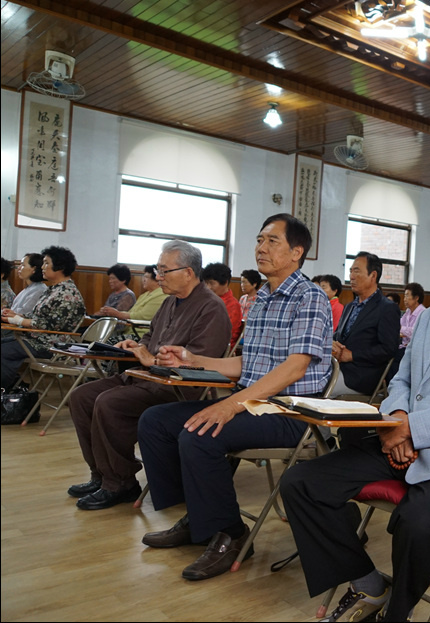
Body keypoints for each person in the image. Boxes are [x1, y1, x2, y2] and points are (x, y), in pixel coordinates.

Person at [280, 210, 430, 622]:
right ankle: (366, 582)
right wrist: (396, 415)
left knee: (418, 524)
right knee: (302, 483)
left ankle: (397, 614)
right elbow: (402, 381)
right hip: (399, 439)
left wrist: (409, 427)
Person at [136, 213, 333, 581]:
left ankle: (232, 534)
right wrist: (195, 359)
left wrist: (230, 405)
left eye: (272, 241)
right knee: (156, 422)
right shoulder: (261, 299)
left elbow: (294, 369)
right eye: (260, 240)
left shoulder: (310, 298)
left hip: (290, 413)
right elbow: (248, 364)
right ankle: (200, 516)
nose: (261, 247)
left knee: (199, 432)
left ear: (296, 252)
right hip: (254, 402)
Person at [67, 241, 231, 510]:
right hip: (145, 376)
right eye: (158, 269)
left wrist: (152, 359)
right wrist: (137, 347)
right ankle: (101, 474)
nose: (159, 276)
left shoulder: (211, 309)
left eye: (164, 270)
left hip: (175, 388)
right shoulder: (169, 302)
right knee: (81, 397)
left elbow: (200, 366)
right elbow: (149, 337)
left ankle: (120, 482)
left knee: (109, 403)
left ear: (188, 272)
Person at [1, 246, 85, 390]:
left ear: (59, 267)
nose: (42, 267)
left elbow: (47, 325)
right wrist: (16, 315)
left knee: (3, 351)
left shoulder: (67, 294)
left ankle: (6, 393)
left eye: (46, 263)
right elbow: (37, 316)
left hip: (48, 344)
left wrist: (17, 320)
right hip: (35, 338)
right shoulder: (55, 289)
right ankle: (10, 390)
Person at [332, 252, 400, 397]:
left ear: (373, 276)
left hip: (360, 377)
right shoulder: (350, 307)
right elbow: (338, 335)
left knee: (315, 386)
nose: (351, 276)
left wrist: (353, 356)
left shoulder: (387, 308)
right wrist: (332, 344)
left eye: (356, 271)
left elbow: (388, 349)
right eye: (350, 271)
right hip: (336, 367)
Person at [99, 266, 171, 323]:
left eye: (146, 277)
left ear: (157, 280)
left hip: (141, 333)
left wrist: (118, 314)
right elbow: (131, 312)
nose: (143, 280)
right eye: (143, 276)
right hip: (129, 330)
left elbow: (143, 316)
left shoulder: (161, 294)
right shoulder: (144, 295)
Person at [201, 263, 241, 347]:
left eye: (212, 283)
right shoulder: (207, 300)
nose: (208, 287)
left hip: (217, 347)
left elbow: (223, 334)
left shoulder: (233, 305)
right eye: (206, 283)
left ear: (225, 283)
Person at [8, 253, 46, 318]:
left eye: (23, 265)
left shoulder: (39, 290)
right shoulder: (28, 288)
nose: (19, 268)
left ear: (33, 269)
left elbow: (25, 314)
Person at [399, 282, 425, 350]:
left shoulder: (423, 313)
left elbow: (415, 332)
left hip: (415, 349)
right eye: (404, 296)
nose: (404, 299)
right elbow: (398, 325)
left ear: (416, 298)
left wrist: (401, 329)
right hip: (404, 346)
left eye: (407, 296)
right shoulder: (408, 311)